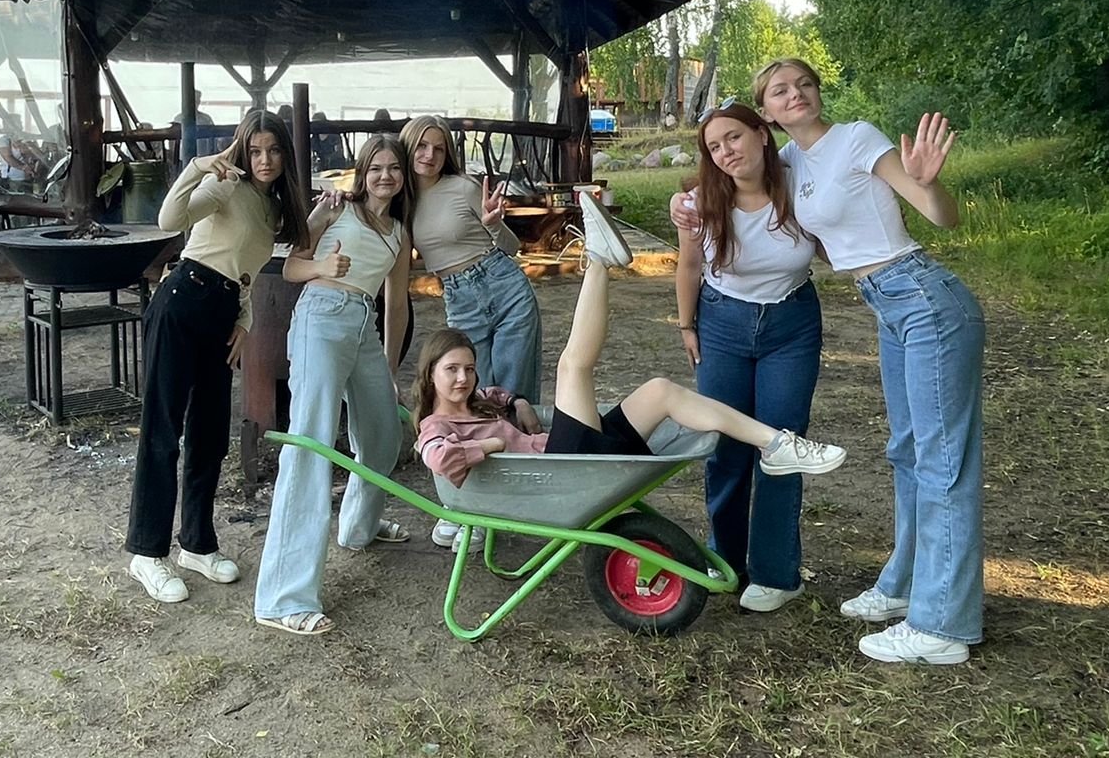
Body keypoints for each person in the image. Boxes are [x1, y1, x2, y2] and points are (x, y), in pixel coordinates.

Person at [673, 58, 984, 664]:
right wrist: (683, 205)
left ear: (816, 93)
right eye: (779, 90)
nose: (795, 95)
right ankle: (902, 584)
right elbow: (723, 179)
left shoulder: (858, 137)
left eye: (804, 84)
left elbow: (941, 216)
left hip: (921, 294)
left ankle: (943, 624)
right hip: (887, 305)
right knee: (907, 452)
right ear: (767, 114)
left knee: (942, 460)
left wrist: (927, 183)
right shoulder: (790, 160)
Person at [415, 192, 845, 491]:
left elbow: (499, 395)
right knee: (571, 367)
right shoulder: (435, 428)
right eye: (451, 370)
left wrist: (518, 403)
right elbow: (441, 460)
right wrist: (491, 444)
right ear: (429, 376)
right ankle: (598, 260)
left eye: (468, 368)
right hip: (557, 472)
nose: (464, 378)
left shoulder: (480, 400)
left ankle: (776, 444)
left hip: (575, 459)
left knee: (661, 390)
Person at [125, 110, 311, 604]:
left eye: (274, 150)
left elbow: (244, 272)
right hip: (183, 301)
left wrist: (245, 322)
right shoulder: (226, 186)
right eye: (256, 150)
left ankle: (197, 544)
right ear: (242, 151)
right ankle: (146, 553)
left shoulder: (273, 208)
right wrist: (198, 166)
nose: (265, 160)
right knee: (164, 430)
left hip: (223, 315)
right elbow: (169, 220)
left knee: (209, 435)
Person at [254, 135, 415, 635]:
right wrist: (324, 266)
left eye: (393, 168)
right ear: (362, 173)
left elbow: (396, 303)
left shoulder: (398, 232)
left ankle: (358, 527)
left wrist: (390, 368)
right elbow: (291, 267)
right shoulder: (335, 209)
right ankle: (283, 598)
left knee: (383, 435)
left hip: (363, 325)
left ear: (403, 176)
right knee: (311, 445)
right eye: (376, 168)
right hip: (321, 317)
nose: (385, 176)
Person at [674, 103, 823, 613]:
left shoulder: (801, 186)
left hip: (792, 324)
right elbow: (689, 265)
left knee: (782, 446)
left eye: (733, 137)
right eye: (714, 147)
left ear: (761, 134)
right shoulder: (699, 203)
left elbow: (840, 230)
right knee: (725, 445)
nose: (726, 152)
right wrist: (687, 325)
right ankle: (725, 559)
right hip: (722, 324)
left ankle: (776, 573)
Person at [399, 113, 545, 552]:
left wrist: (495, 223)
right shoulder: (401, 201)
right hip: (460, 298)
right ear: (408, 147)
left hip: (503, 282)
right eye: (422, 146)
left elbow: (511, 247)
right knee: (466, 399)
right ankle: (471, 508)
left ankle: (505, 507)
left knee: (512, 392)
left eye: (438, 148)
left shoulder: (462, 187)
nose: (429, 155)